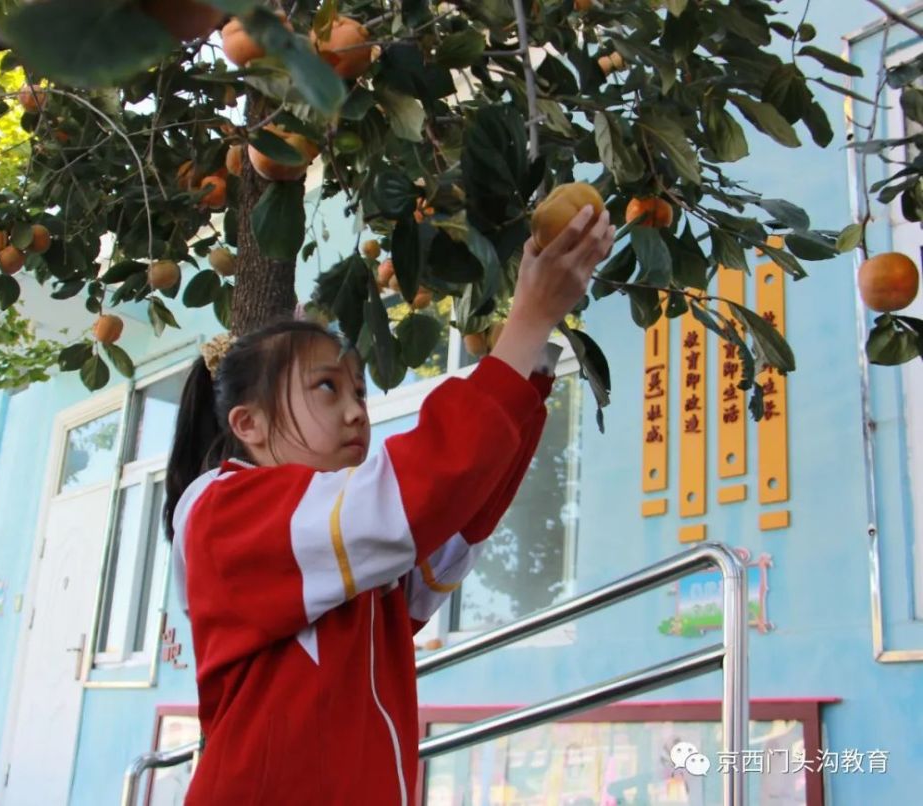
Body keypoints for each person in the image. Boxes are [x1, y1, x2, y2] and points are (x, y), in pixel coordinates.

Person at [163, 204, 614, 805]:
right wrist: (528, 319)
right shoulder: (220, 509)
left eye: (359, 393)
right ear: (249, 423)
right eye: (326, 388)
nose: (355, 411)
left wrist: (530, 357)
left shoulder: (347, 550)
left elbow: (456, 523)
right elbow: (418, 492)